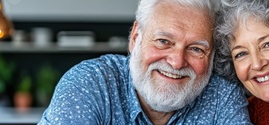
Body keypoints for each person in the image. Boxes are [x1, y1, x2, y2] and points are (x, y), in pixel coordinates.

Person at [38, 0, 251, 124]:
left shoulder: (222, 96)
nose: (177, 62)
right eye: (163, 41)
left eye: (196, 49)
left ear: (212, 55)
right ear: (135, 38)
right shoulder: (90, 83)